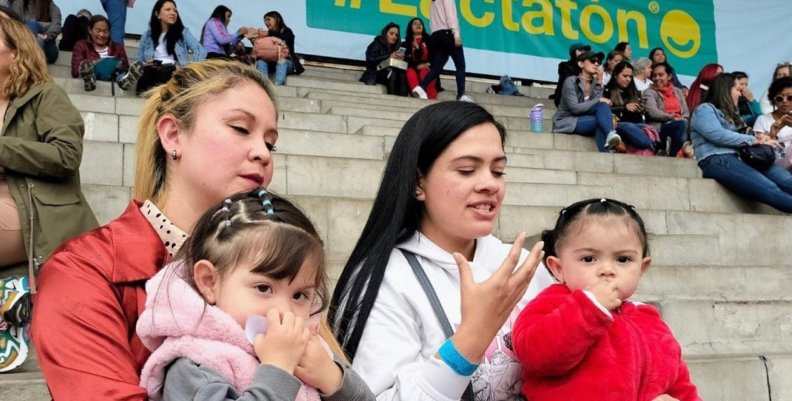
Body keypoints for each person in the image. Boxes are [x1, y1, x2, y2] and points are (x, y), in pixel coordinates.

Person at [31, 59, 279, 400]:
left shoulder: (279, 263)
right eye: (240, 128)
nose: (263, 153)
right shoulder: (83, 270)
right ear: (172, 134)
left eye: (271, 142)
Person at [329, 101, 555, 401]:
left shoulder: (525, 266)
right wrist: (470, 339)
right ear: (417, 183)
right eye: (466, 170)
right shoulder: (385, 281)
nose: (490, 184)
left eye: (498, 170)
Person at [137, 189, 374, 401]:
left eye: (300, 295)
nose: (285, 311)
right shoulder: (195, 364)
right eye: (263, 288)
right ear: (209, 282)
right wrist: (278, 369)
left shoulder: (308, 348)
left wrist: (333, 379)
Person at [512, 198, 702, 401]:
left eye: (623, 259)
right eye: (588, 259)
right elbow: (537, 354)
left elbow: (680, 384)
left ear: (641, 268)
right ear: (558, 268)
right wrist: (588, 307)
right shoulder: (553, 304)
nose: (607, 270)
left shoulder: (651, 323)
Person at [0, 10, 97, 372]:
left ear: (16, 50)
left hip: (30, 207)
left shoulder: (44, 96)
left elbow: (66, 154)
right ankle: (8, 305)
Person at [690, 73, 792, 213]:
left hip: (744, 158)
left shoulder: (732, 115)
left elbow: (743, 132)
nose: (740, 94)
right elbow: (718, 135)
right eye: (738, 90)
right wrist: (753, 140)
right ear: (725, 90)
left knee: (788, 182)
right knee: (770, 189)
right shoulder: (704, 110)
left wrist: (761, 137)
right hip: (719, 159)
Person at [552, 50, 623, 152]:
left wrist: (599, 82)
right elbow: (575, 108)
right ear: (581, 64)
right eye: (592, 60)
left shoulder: (595, 82)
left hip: (584, 118)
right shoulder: (571, 81)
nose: (596, 63)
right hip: (566, 121)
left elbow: (597, 105)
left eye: (598, 61)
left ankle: (607, 149)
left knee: (602, 112)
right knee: (602, 119)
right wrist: (598, 99)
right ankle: (610, 135)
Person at [135, 0, 206, 95]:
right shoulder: (147, 35)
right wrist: (144, 64)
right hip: (153, 68)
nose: (173, 13)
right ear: (157, 14)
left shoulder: (183, 32)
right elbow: (138, 60)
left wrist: (190, 69)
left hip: (172, 69)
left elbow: (200, 50)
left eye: (175, 10)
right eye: (168, 10)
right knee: (146, 75)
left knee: (168, 75)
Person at [411, 0, 473, 102]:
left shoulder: (433, 2)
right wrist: (456, 34)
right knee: (460, 65)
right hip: (447, 33)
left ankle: (421, 87)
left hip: (436, 35)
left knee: (437, 68)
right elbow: (450, 15)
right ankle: (461, 94)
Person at [71, 15, 143, 92]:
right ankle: (89, 81)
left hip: (113, 75)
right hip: (93, 72)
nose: (101, 34)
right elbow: (75, 70)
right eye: (98, 31)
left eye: (105, 31)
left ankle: (124, 81)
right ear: (90, 30)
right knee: (89, 71)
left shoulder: (118, 47)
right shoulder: (81, 45)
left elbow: (125, 66)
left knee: (120, 74)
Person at [605, 61, 656, 153]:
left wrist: (641, 110)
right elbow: (604, 110)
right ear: (616, 75)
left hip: (635, 125)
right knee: (629, 126)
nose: (628, 79)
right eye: (625, 76)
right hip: (615, 125)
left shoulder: (634, 92)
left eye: (630, 77)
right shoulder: (607, 91)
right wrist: (624, 108)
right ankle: (655, 147)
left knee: (646, 127)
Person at [642, 62, 689, 156]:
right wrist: (672, 118)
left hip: (680, 124)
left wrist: (682, 119)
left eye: (661, 75)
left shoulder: (678, 91)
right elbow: (653, 112)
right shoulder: (649, 92)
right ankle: (672, 155)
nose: (657, 78)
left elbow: (686, 112)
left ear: (670, 76)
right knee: (681, 125)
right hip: (661, 127)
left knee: (685, 125)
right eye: (654, 76)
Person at [254, 11, 304, 86]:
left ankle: (278, 86)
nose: (266, 22)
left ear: (277, 19)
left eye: (268, 19)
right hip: (271, 63)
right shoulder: (267, 34)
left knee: (282, 61)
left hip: (287, 63)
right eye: (265, 21)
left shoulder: (287, 31)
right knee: (260, 62)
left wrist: (269, 33)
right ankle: (264, 86)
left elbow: (286, 38)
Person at [360, 22, 408, 96]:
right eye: (391, 33)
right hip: (375, 73)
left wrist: (401, 59)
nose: (394, 37)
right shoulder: (376, 43)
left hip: (390, 73)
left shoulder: (396, 48)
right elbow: (371, 59)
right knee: (392, 72)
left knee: (402, 74)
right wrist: (389, 56)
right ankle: (392, 99)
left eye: (396, 35)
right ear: (385, 33)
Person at [753, 76, 792, 169]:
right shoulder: (762, 120)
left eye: (790, 97)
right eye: (779, 98)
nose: (785, 101)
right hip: (773, 166)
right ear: (773, 100)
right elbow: (759, 152)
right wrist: (772, 135)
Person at [404, 17, 436, 99]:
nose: (418, 25)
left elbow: (435, 56)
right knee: (410, 72)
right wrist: (417, 66)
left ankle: (431, 98)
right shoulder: (406, 43)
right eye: (415, 24)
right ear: (410, 28)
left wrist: (428, 64)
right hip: (413, 67)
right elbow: (405, 60)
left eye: (420, 24)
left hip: (427, 67)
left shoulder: (430, 40)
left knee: (424, 72)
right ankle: (419, 97)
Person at [552, 42, 590, 107]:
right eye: (580, 51)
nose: (584, 53)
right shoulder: (564, 66)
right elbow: (569, 81)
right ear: (574, 53)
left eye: (585, 51)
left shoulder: (587, 68)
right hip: (565, 99)